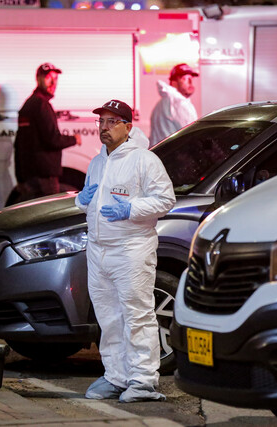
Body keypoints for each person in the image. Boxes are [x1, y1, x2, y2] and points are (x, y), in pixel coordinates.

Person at [75, 99, 175, 403]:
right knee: (109, 317)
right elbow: (87, 204)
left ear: (128, 127)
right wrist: (81, 200)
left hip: (130, 249)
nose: (104, 128)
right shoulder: (97, 162)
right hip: (98, 250)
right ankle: (115, 376)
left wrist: (131, 208)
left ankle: (143, 381)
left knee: (137, 315)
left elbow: (166, 200)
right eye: (101, 122)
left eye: (111, 122)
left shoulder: (144, 160)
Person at [14, 62, 82, 202]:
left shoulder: (28, 105)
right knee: (50, 216)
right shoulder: (41, 105)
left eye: (55, 79)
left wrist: (20, 177)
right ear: (38, 79)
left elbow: (18, 144)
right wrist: (74, 139)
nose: (53, 83)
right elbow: (52, 139)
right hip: (44, 179)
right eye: (48, 78)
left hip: (29, 177)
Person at [149, 63, 199, 147]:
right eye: (185, 78)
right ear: (174, 82)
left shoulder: (161, 103)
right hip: (175, 154)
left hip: (161, 154)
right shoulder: (179, 102)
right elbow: (192, 134)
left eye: (191, 78)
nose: (190, 82)